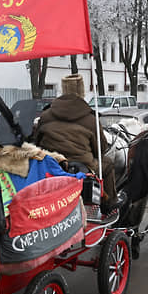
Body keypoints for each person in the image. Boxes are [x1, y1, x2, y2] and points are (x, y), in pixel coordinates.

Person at [33, 74, 120, 214]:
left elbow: (37, 143)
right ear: (82, 93)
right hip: (82, 166)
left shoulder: (45, 115)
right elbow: (100, 149)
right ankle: (109, 203)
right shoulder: (90, 119)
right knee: (108, 163)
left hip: (53, 164)